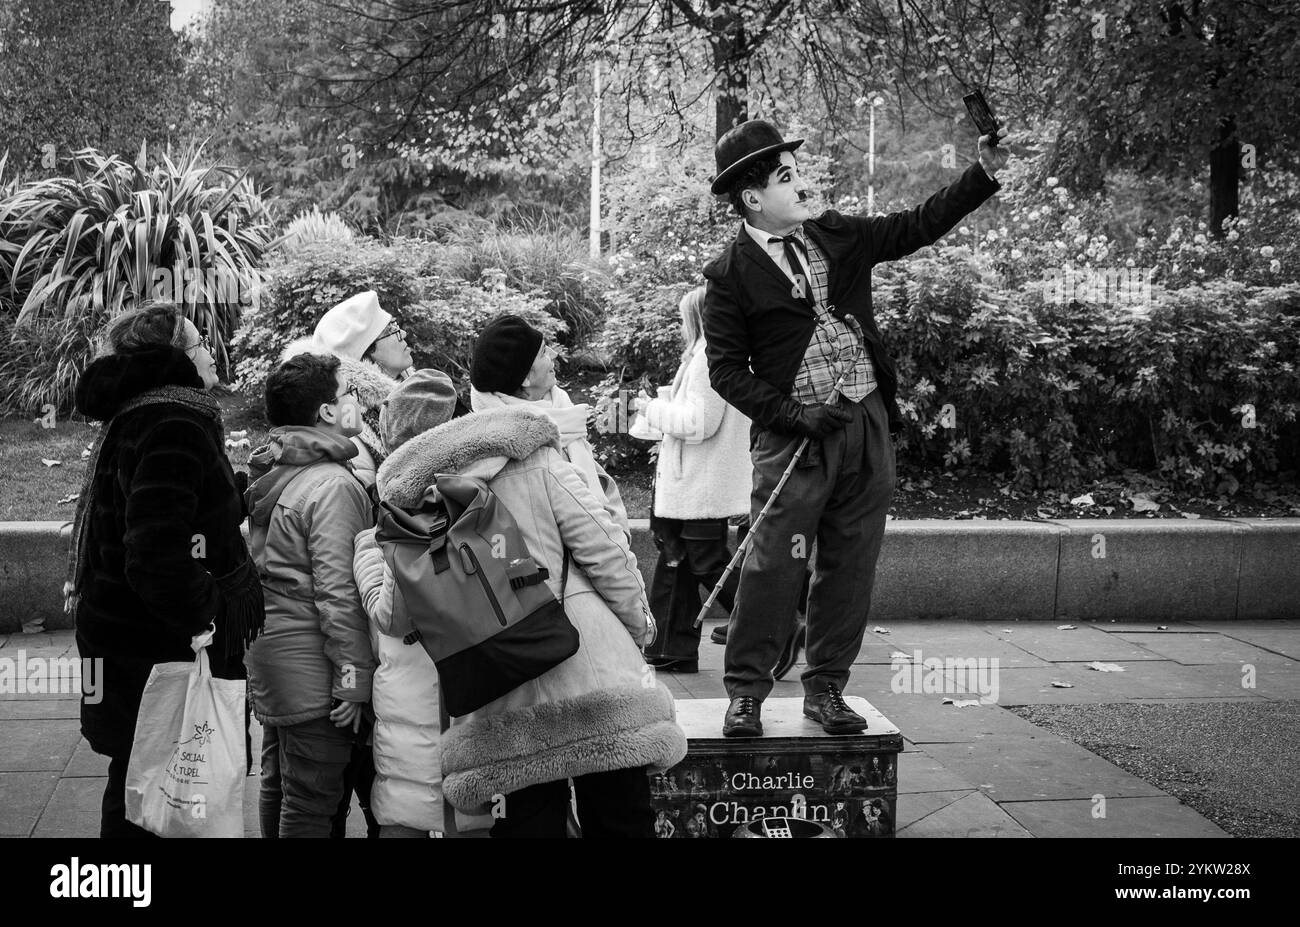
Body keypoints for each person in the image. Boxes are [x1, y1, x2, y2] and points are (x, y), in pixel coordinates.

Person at [702, 118, 1008, 737]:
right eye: (787, 177)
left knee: (850, 561)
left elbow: (912, 227)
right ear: (753, 198)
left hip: (864, 422)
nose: (803, 185)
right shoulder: (729, 274)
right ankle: (746, 695)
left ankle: (827, 689)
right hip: (795, 440)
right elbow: (727, 373)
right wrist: (793, 416)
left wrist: (983, 174)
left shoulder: (835, 235)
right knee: (772, 565)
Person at [358, 373, 687, 837]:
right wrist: (637, 630)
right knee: (621, 819)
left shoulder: (405, 502)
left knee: (528, 826)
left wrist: (369, 553)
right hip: (594, 674)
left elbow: (394, 616)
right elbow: (606, 551)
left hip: (502, 694)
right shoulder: (531, 456)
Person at [66, 302, 265, 838]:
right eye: (199, 343)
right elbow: (155, 550)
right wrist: (204, 617)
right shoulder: (174, 420)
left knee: (136, 777)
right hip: (157, 651)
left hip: (118, 638)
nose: (209, 351)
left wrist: (237, 492)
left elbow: (174, 509)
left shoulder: (143, 411)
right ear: (173, 356)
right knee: (155, 792)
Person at [244, 353, 376, 838]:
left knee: (280, 787)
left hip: (275, 657)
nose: (354, 403)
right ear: (326, 412)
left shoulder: (279, 472)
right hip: (315, 667)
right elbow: (340, 593)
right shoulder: (333, 486)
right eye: (348, 395)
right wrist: (353, 678)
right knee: (311, 803)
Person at [633, 285, 797, 675]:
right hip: (695, 480)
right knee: (681, 558)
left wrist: (652, 408)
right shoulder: (718, 352)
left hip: (701, 482)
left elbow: (700, 422)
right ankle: (671, 647)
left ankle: (777, 624)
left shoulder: (709, 357)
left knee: (705, 560)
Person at [350, 370, 460, 838]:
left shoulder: (388, 528)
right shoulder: (476, 504)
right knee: (471, 810)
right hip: (473, 681)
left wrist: (368, 553)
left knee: (404, 806)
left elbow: (390, 616)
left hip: (409, 692)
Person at [469, 314, 630, 538]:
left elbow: (600, 486)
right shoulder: (517, 450)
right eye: (544, 351)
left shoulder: (561, 412)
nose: (553, 354)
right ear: (525, 378)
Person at [281, 290, 415, 490]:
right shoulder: (351, 424)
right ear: (367, 351)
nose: (402, 334)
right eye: (392, 329)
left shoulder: (412, 393)